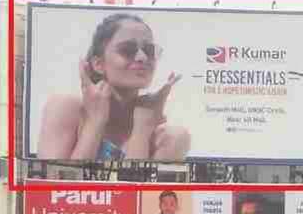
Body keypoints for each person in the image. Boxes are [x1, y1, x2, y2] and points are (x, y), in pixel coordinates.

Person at [36, 13, 191, 162]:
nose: (142, 57)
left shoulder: (167, 138)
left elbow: (138, 189)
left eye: (149, 50)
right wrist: (94, 123)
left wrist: (142, 129)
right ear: (98, 64)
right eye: (127, 50)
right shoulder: (66, 108)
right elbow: (54, 185)